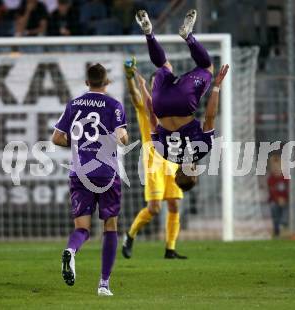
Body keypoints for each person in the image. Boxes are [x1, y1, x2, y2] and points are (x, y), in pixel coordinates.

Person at [51, 63, 128, 296]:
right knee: (110, 226)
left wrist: (76, 144)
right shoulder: (115, 105)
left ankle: (71, 251)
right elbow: (122, 138)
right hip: (106, 172)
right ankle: (104, 284)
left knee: (82, 228)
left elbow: (56, 138)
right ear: (107, 82)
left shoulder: (74, 104)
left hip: (79, 171)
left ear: (87, 82)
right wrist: (122, 138)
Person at [135, 9, 229, 189]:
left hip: (183, 103)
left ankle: (188, 36)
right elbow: (151, 117)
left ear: (194, 172)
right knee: (164, 65)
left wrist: (216, 86)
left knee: (207, 67)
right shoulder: (164, 153)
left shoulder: (202, 149)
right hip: (160, 104)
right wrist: (144, 89)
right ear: (176, 172)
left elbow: (209, 117)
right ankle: (149, 34)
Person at [121, 57, 187, 260]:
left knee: (175, 204)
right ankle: (130, 235)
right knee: (155, 208)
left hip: (172, 160)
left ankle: (170, 249)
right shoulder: (145, 104)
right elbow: (133, 94)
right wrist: (130, 77)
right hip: (153, 162)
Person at [267, 153, 289, 237]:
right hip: (275, 201)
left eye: (277, 167)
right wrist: (278, 199)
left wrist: (284, 199)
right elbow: (272, 192)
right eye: (273, 167)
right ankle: (276, 229)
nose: (275, 169)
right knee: (273, 207)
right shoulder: (271, 179)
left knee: (286, 208)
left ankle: (284, 225)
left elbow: (288, 190)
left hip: (285, 200)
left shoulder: (286, 178)